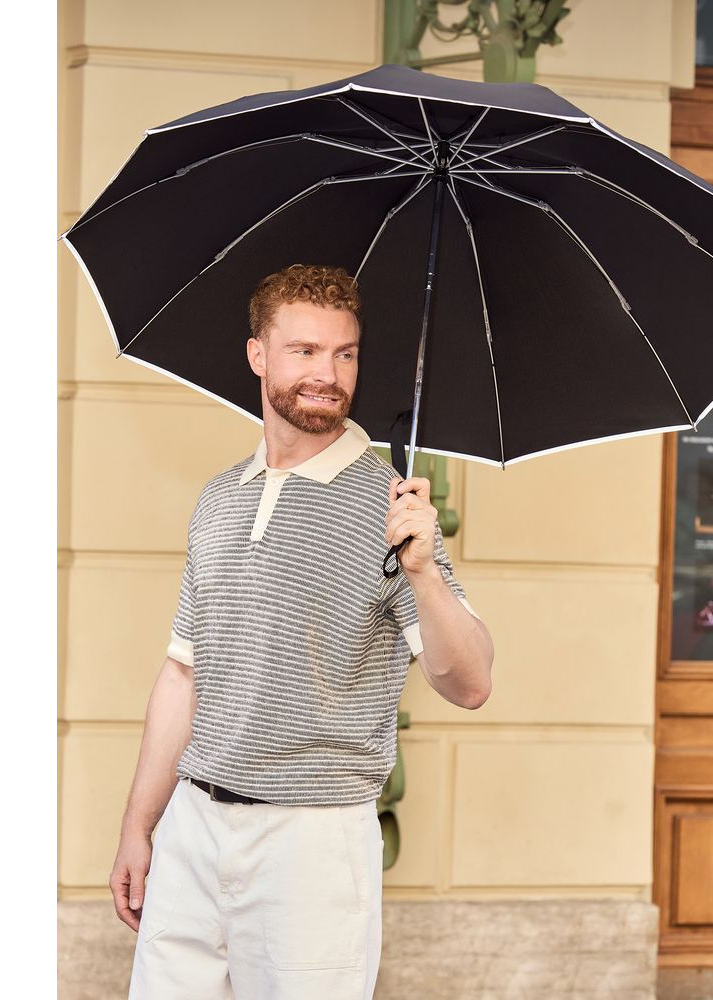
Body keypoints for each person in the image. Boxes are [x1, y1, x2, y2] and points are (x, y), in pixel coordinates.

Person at [111, 264, 495, 1000]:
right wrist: (140, 826)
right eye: (306, 351)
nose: (328, 374)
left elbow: (471, 682)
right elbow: (183, 674)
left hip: (312, 843)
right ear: (258, 355)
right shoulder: (219, 498)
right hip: (193, 826)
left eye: (345, 354)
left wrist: (423, 572)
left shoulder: (390, 509)